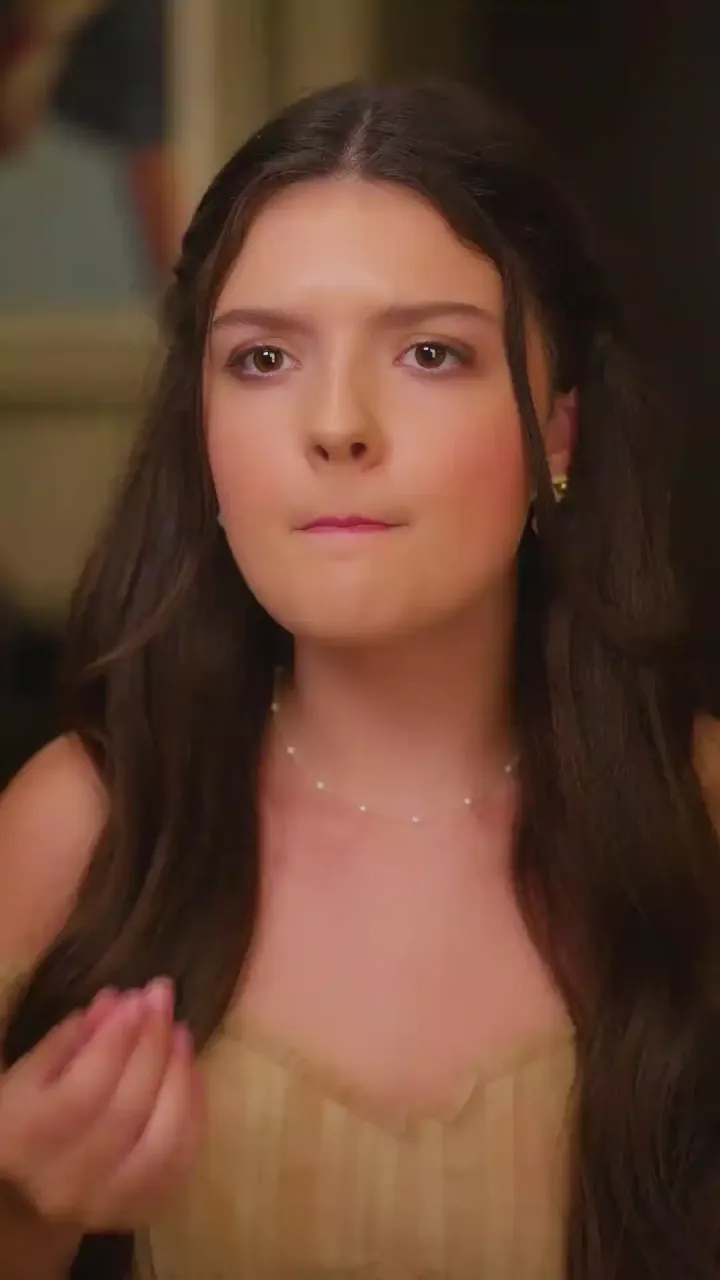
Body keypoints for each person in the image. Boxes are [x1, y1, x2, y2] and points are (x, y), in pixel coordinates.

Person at [0, 79, 718, 1280]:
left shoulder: (698, 812)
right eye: (263, 357)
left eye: (431, 352)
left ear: (558, 431)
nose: (337, 423)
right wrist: (21, 1209)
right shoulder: (78, 826)